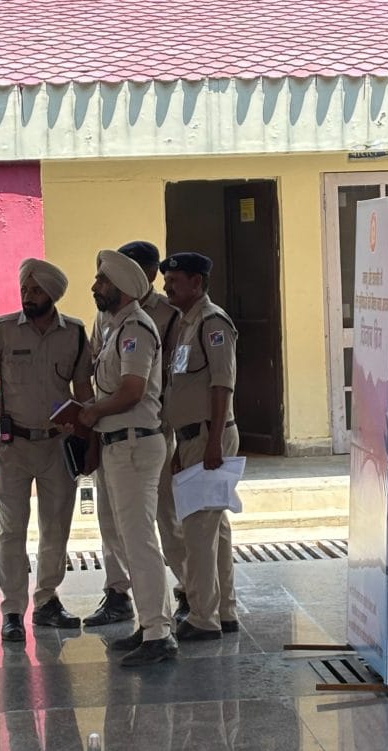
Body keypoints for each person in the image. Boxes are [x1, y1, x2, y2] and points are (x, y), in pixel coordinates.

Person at [0, 258, 94, 642]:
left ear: (53, 294)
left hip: (57, 447)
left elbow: (84, 393)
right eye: (25, 289)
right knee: (12, 529)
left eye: (36, 290)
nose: (28, 296)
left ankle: (46, 601)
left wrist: (88, 438)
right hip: (13, 445)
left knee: (56, 527)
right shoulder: (3, 330)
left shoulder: (73, 333)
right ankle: (11, 610)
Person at [79, 249, 177, 666]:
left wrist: (93, 411)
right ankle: (149, 623)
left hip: (135, 444)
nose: (94, 286)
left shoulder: (135, 327)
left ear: (118, 288)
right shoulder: (116, 327)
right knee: (125, 539)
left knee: (139, 541)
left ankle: (158, 634)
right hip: (118, 444)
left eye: (101, 281)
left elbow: (132, 390)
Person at [159, 252, 240, 641]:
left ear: (196, 282)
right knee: (215, 527)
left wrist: (212, 443)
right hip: (191, 437)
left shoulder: (212, 323)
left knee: (197, 530)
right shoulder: (184, 324)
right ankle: (224, 611)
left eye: (174, 280)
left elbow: (222, 383)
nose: (167, 286)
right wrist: (180, 444)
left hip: (211, 436)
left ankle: (203, 618)